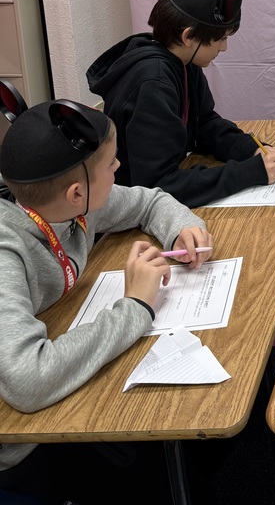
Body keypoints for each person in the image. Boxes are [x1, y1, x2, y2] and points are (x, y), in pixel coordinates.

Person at [0, 85, 211, 503]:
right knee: (166, 469)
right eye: (112, 165)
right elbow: (26, 381)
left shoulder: (72, 203)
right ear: (76, 193)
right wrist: (135, 306)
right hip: (21, 442)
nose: (119, 167)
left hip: (63, 360)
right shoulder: (7, 250)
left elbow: (150, 202)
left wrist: (182, 228)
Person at [87, 0, 275, 207]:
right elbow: (159, 185)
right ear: (188, 36)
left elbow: (204, 123)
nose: (224, 47)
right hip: (134, 210)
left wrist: (250, 149)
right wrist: (250, 173)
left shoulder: (183, 61)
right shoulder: (153, 82)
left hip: (160, 190)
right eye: (220, 39)